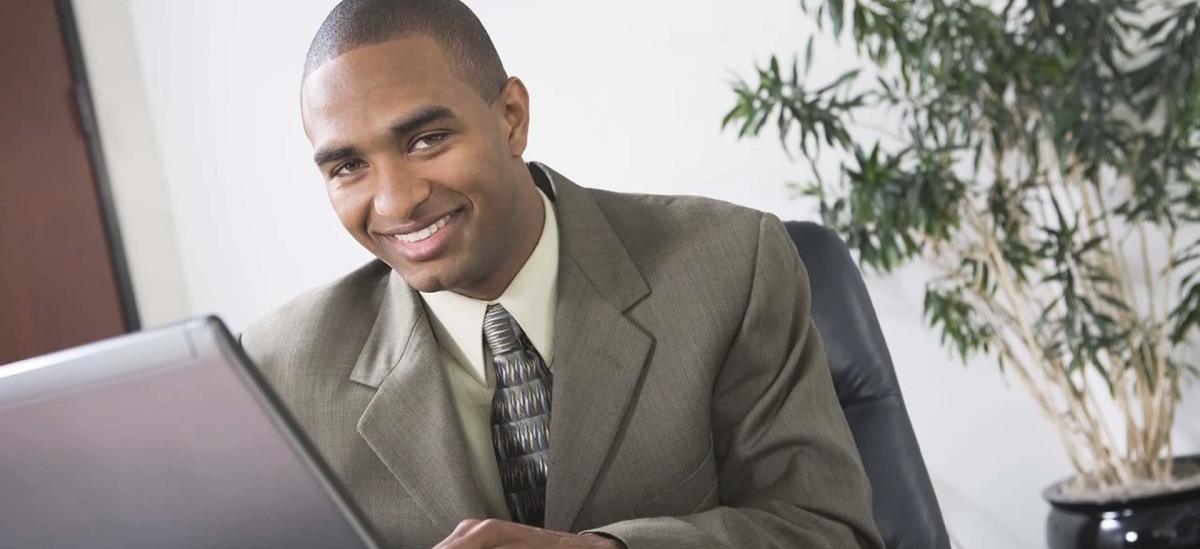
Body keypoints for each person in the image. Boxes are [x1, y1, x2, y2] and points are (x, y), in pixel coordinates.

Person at [240, 1, 885, 547]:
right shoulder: (282, 371)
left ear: (511, 117)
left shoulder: (728, 266)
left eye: (426, 139)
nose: (395, 201)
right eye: (348, 167)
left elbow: (829, 531)